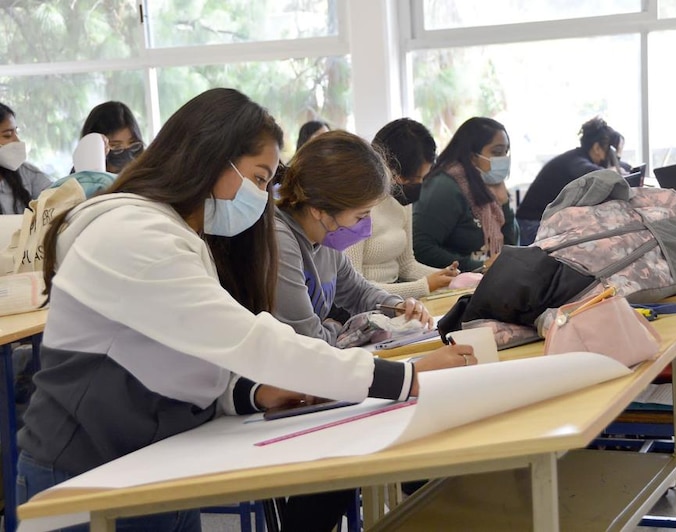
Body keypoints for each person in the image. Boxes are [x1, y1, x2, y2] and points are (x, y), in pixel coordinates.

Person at [17, 88, 474, 532]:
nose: (263, 196)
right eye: (259, 177)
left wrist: (251, 395)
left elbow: (180, 361)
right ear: (213, 157)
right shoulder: (134, 233)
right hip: (86, 476)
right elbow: (250, 340)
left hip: (153, 466)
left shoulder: (173, 233)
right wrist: (409, 378)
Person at [273, 130, 439, 346]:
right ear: (319, 210)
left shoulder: (324, 237)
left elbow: (357, 292)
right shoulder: (280, 241)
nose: (367, 227)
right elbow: (309, 340)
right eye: (361, 215)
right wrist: (342, 329)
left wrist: (397, 307)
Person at [344, 118, 458, 299]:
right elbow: (353, 288)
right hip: (368, 303)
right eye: (414, 179)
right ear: (393, 170)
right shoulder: (358, 205)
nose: (419, 185)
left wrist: (446, 277)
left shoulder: (401, 198)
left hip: (395, 295)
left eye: (423, 178)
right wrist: (424, 286)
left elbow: (407, 265)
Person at [412, 117, 519, 271]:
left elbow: (511, 249)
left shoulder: (489, 184)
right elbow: (421, 248)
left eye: (506, 152)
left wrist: (504, 204)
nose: (503, 159)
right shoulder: (445, 186)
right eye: (496, 152)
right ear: (472, 157)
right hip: (454, 282)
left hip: (487, 278)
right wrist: (478, 266)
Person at [516, 117, 623, 245]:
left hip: (541, 223)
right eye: (612, 153)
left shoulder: (575, 157)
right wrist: (615, 165)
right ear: (597, 148)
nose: (613, 158)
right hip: (530, 226)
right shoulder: (575, 162)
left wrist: (618, 162)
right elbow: (598, 174)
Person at [0, 103, 52, 214]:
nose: (17, 141)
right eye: (8, 135)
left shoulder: (27, 173)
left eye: (16, 132)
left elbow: (58, 200)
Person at [79, 101, 145, 173]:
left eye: (133, 144)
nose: (127, 157)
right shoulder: (75, 183)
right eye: (116, 146)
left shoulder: (149, 179)